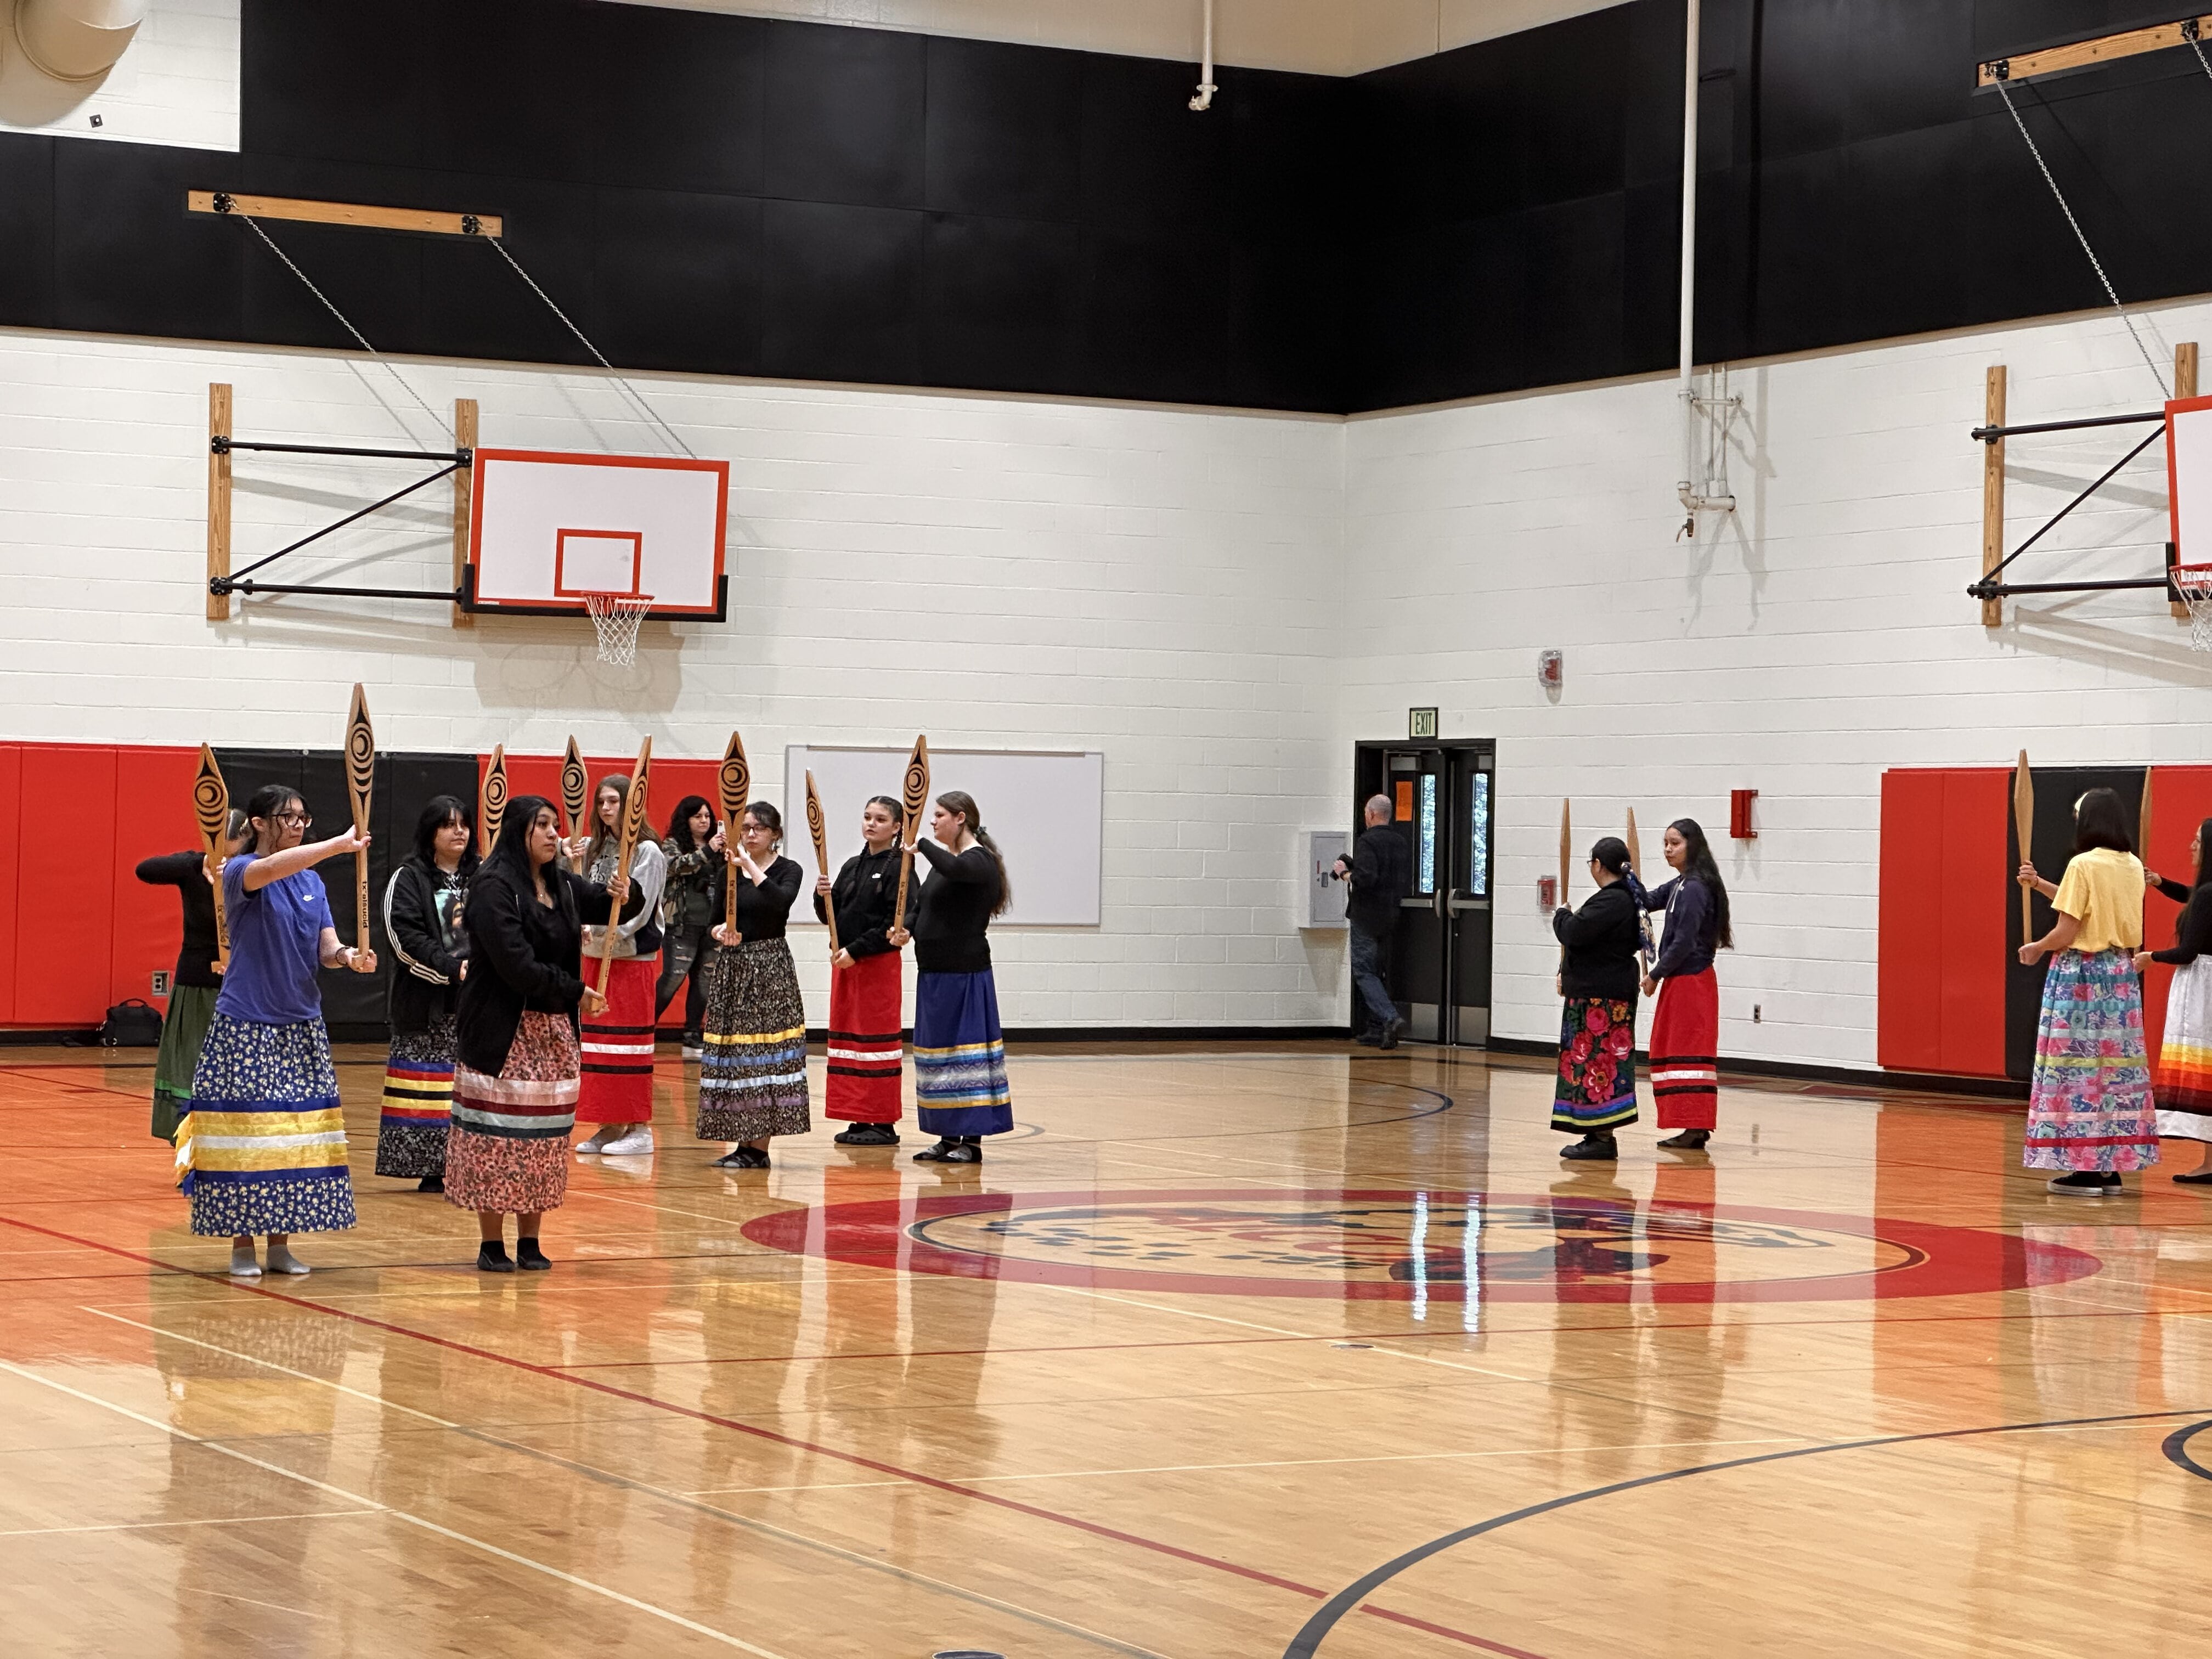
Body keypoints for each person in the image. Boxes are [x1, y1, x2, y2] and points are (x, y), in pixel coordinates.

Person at [175, 784, 374, 1278]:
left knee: (294, 1137)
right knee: (250, 1139)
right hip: (246, 1024)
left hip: (301, 1024)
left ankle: (281, 1245)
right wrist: (337, 846)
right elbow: (272, 870)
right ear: (260, 824)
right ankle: (243, 1247)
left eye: (304, 818)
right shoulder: (240, 872)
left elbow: (325, 948)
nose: (299, 825)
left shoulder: (313, 885)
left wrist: (350, 957)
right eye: (289, 818)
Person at [450, 795, 622, 1271]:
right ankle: (491, 1244)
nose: (552, 834)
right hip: (503, 1033)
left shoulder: (563, 884)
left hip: (554, 1034)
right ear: (518, 830)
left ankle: (530, 1241)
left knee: (543, 1144)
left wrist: (626, 890)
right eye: (541, 825)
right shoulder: (492, 886)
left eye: (555, 825)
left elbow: (615, 908)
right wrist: (577, 989)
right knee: (496, 1141)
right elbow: (516, 964)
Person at [2019, 788, 2158, 1195]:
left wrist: (2037, 947)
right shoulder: (2133, 866)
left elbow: (2069, 928)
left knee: (2075, 1071)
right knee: (2113, 1073)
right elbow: (2092, 906)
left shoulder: (2083, 864)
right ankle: (2110, 1166)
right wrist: (2041, 883)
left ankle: (2083, 1168)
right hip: (2119, 976)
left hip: (2081, 976)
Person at [698, 802, 810, 1169]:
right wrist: (720, 933)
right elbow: (712, 923)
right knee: (738, 1058)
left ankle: (759, 1148)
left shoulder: (788, 870)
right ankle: (743, 1143)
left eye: (758, 828)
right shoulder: (725, 874)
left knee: (764, 1058)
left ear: (775, 834)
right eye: (744, 828)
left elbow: (779, 903)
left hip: (770, 969)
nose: (750, 834)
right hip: (734, 967)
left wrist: (746, 864)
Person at [905, 791, 1013, 1164]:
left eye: (939, 816)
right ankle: (948, 1138)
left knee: (966, 1056)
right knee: (938, 1059)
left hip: (965, 973)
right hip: (933, 973)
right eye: (932, 816)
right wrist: (905, 929)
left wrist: (917, 843)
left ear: (960, 818)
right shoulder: (944, 862)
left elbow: (956, 871)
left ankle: (972, 1141)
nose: (933, 822)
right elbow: (921, 907)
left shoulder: (978, 861)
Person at [375, 796, 476, 1192]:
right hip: (426, 1004)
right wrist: (454, 970)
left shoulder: (482, 876)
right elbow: (404, 940)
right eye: (448, 825)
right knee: (427, 1089)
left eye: (464, 823)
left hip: (474, 1006)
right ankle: (431, 1170)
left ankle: (467, 1163)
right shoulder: (409, 876)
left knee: (469, 1089)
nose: (459, 832)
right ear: (430, 833)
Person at [136, 809, 250, 1143]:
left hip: (243, 984)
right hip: (198, 985)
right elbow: (144, 870)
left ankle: (232, 1140)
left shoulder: (255, 870)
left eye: (233, 848)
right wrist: (195, 864)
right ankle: (188, 1141)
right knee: (191, 1063)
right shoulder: (193, 866)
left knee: (235, 1067)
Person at [816, 794, 918, 1147]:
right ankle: (859, 1116)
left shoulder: (900, 869)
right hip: (845, 965)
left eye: (880, 819)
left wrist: (856, 951)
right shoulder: (850, 866)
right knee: (850, 1043)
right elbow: (834, 917)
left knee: (876, 1045)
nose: (871, 824)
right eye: (867, 817)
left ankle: (883, 1121)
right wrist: (821, 897)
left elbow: (895, 924)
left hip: (876, 968)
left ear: (896, 827)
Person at [572, 775, 665, 1156]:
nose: (606, 809)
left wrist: (611, 934)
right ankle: (610, 1125)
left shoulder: (648, 851)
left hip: (630, 961)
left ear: (631, 805)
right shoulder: (594, 848)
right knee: (597, 1048)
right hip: (594, 958)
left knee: (629, 1047)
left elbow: (640, 908)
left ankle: (639, 1127)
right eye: (601, 802)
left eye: (614, 801)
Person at [1638, 817, 1731, 1152]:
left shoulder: (1695, 888)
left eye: (1675, 843)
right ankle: (1693, 1125)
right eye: (1665, 843)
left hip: (1691, 983)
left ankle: (1695, 1126)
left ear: (1693, 845)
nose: (1668, 849)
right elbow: (1647, 900)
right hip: (1682, 983)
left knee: (1687, 1053)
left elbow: (1683, 943)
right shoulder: (1681, 884)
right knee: (1673, 1050)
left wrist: (1654, 975)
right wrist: (1625, 881)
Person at [1553, 837, 1645, 1161]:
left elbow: (1575, 933)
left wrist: (1561, 916)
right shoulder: (1624, 899)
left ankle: (1602, 1137)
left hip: (1601, 1000)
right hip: (1603, 994)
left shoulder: (1613, 902)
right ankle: (1597, 1134)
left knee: (1599, 1063)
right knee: (1597, 1062)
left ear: (1598, 865)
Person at [2137, 817, 2212, 1182]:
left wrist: (2151, 958)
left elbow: (2187, 952)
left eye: (2198, 841)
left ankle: (2211, 1164)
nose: (2191, 846)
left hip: (2204, 989)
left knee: (2205, 1070)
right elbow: (2193, 899)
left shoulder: (2210, 893)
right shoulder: (2208, 892)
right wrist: (2160, 883)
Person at [1334, 795, 1410, 1048]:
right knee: (1380, 972)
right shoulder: (1399, 841)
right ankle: (1377, 1028)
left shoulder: (1367, 840)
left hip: (1367, 917)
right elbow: (1384, 875)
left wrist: (1344, 873)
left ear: (1371, 815)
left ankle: (1389, 1018)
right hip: (1391, 915)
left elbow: (1366, 879)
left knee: (1364, 971)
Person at [656, 795, 723, 1062]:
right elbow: (675, 866)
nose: (704, 821)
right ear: (686, 819)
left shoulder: (719, 847)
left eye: (707, 816)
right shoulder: (672, 844)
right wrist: (709, 851)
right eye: (698, 816)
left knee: (704, 983)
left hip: (712, 926)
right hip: (681, 924)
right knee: (673, 978)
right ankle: (646, 1029)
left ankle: (693, 1034)